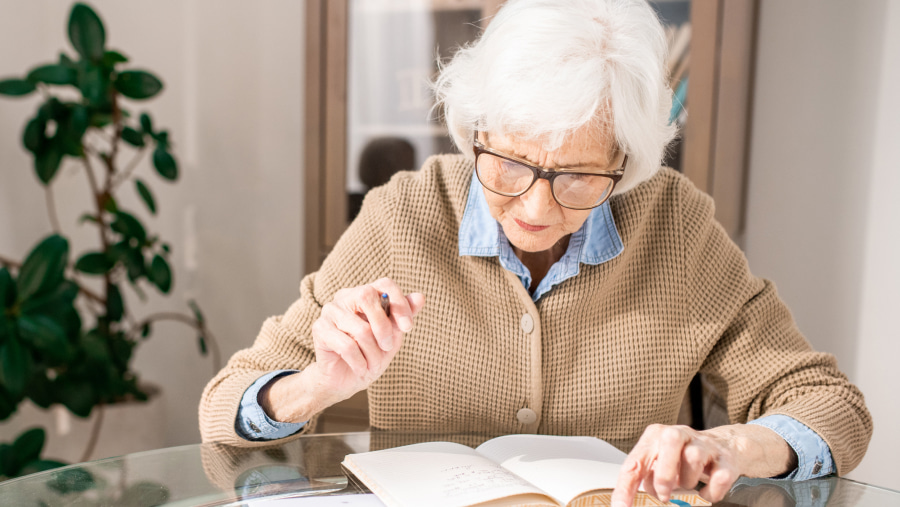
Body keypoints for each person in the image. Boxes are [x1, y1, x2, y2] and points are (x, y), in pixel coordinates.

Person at [199, 0, 872, 505]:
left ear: (625, 160)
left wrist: (729, 443)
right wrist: (319, 382)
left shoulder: (677, 226)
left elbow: (829, 402)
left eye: (579, 175)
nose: (535, 208)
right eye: (510, 163)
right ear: (477, 131)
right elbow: (221, 406)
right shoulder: (402, 214)